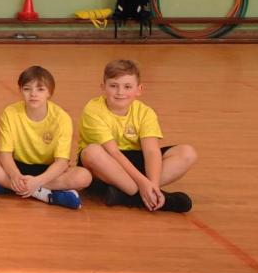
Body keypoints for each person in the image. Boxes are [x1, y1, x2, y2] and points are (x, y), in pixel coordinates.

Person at [79, 59, 196, 212]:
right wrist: (142, 183)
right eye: (113, 86)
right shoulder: (93, 109)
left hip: (134, 162)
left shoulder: (145, 112)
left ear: (139, 89)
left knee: (187, 153)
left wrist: (152, 184)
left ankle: (134, 194)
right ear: (103, 87)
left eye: (127, 87)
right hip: (106, 165)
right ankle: (147, 197)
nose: (120, 92)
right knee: (91, 152)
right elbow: (113, 152)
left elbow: (151, 151)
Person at [0, 66, 90, 209]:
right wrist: (15, 175)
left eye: (40, 89)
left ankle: (7, 186)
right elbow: (5, 154)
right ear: (20, 90)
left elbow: (61, 162)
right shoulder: (10, 113)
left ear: (50, 92)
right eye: (27, 89)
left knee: (84, 176)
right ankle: (48, 195)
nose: (33, 94)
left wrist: (38, 181)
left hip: (48, 171)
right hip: (17, 166)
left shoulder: (62, 118)